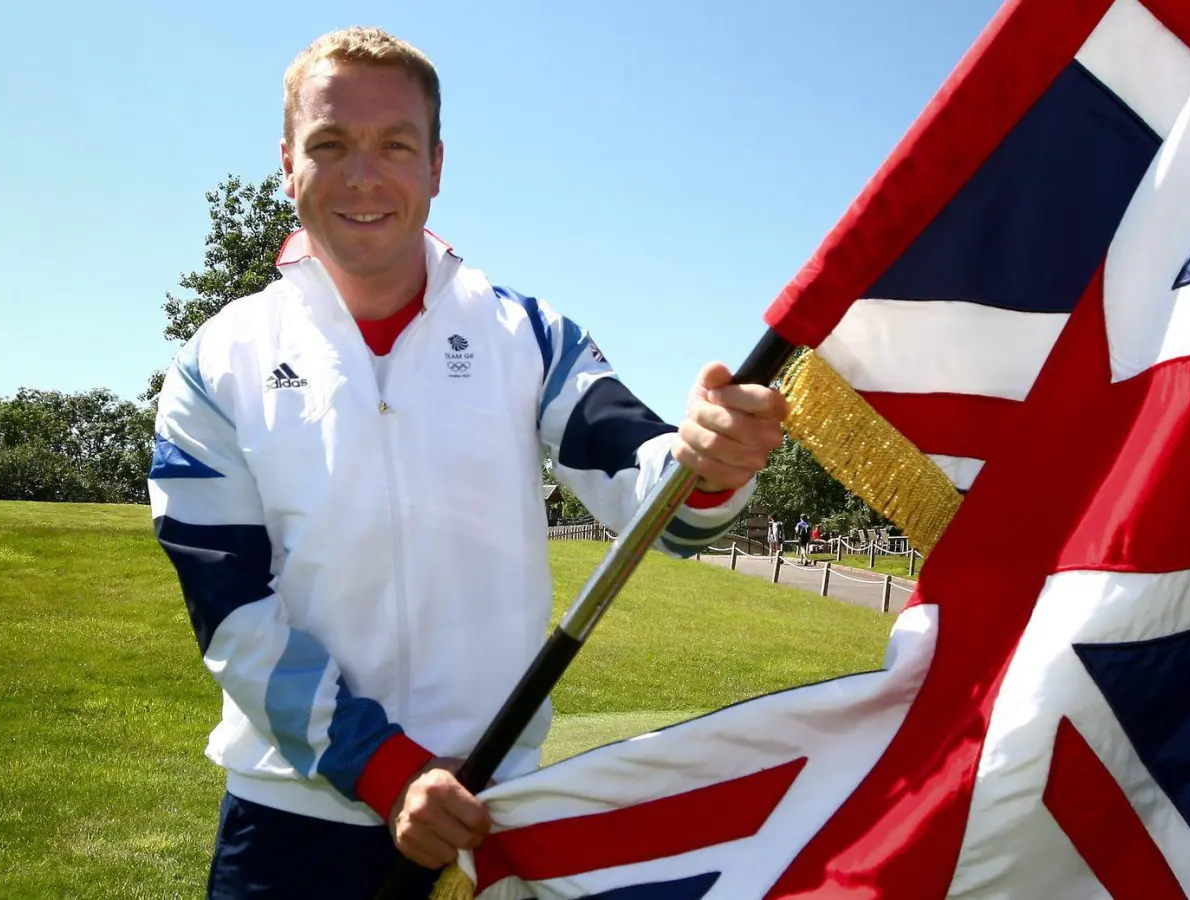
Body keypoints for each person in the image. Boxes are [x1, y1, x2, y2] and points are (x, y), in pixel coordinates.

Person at [147, 27, 787, 899]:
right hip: (293, 824)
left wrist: (711, 459)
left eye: (395, 145)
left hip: (494, 813)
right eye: (330, 145)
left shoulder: (527, 334)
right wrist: (386, 771)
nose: (363, 176)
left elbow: (658, 500)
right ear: (287, 160)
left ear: (437, 164)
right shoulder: (215, 362)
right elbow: (232, 615)